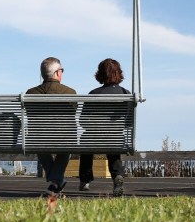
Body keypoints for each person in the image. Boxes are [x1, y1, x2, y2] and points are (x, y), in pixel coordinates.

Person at [79, 59, 131, 195]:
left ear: (100, 74)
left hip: (93, 138)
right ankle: (117, 176)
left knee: (86, 140)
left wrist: (95, 127)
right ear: (119, 73)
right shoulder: (126, 94)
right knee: (113, 142)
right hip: (116, 138)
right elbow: (128, 122)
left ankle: (85, 180)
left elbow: (82, 121)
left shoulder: (93, 94)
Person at [26, 57, 76, 194]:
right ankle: (56, 180)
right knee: (67, 143)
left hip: (38, 138)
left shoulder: (30, 93)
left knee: (38, 142)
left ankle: (56, 180)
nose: (62, 73)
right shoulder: (70, 92)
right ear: (56, 73)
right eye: (62, 70)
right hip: (65, 138)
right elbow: (73, 112)